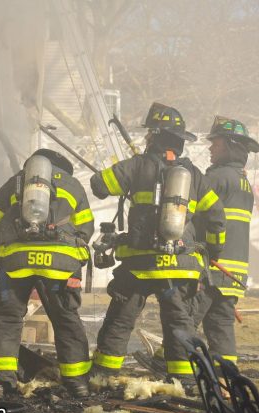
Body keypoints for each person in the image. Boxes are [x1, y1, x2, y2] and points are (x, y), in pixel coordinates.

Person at [89, 102, 226, 382]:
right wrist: (212, 251)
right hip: (180, 266)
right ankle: (184, 381)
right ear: (179, 141)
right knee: (179, 324)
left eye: (150, 133)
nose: (147, 137)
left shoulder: (138, 165)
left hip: (140, 265)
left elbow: (98, 185)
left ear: (154, 136)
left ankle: (103, 376)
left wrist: (132, 171)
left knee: (120, 320)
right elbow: (217, 219)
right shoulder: (195, 176)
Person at [0, 149, 95, 397]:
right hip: (60, 265)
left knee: (7, 318)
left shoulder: (15, 183)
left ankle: (2, 382)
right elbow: (86, 227)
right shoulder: (72, 185)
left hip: (16, 262)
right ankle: (77, 383)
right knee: (65, 319)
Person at [192, 116, 259, 365]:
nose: (211, 148)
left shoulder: (217, 178)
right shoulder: (243, 181)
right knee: (221, 323)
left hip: (212, 267)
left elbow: (193, 214)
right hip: (233, 271)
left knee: (186, 316)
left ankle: (168, 361)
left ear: (230, 146)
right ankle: (226, 375)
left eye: (216, 143)